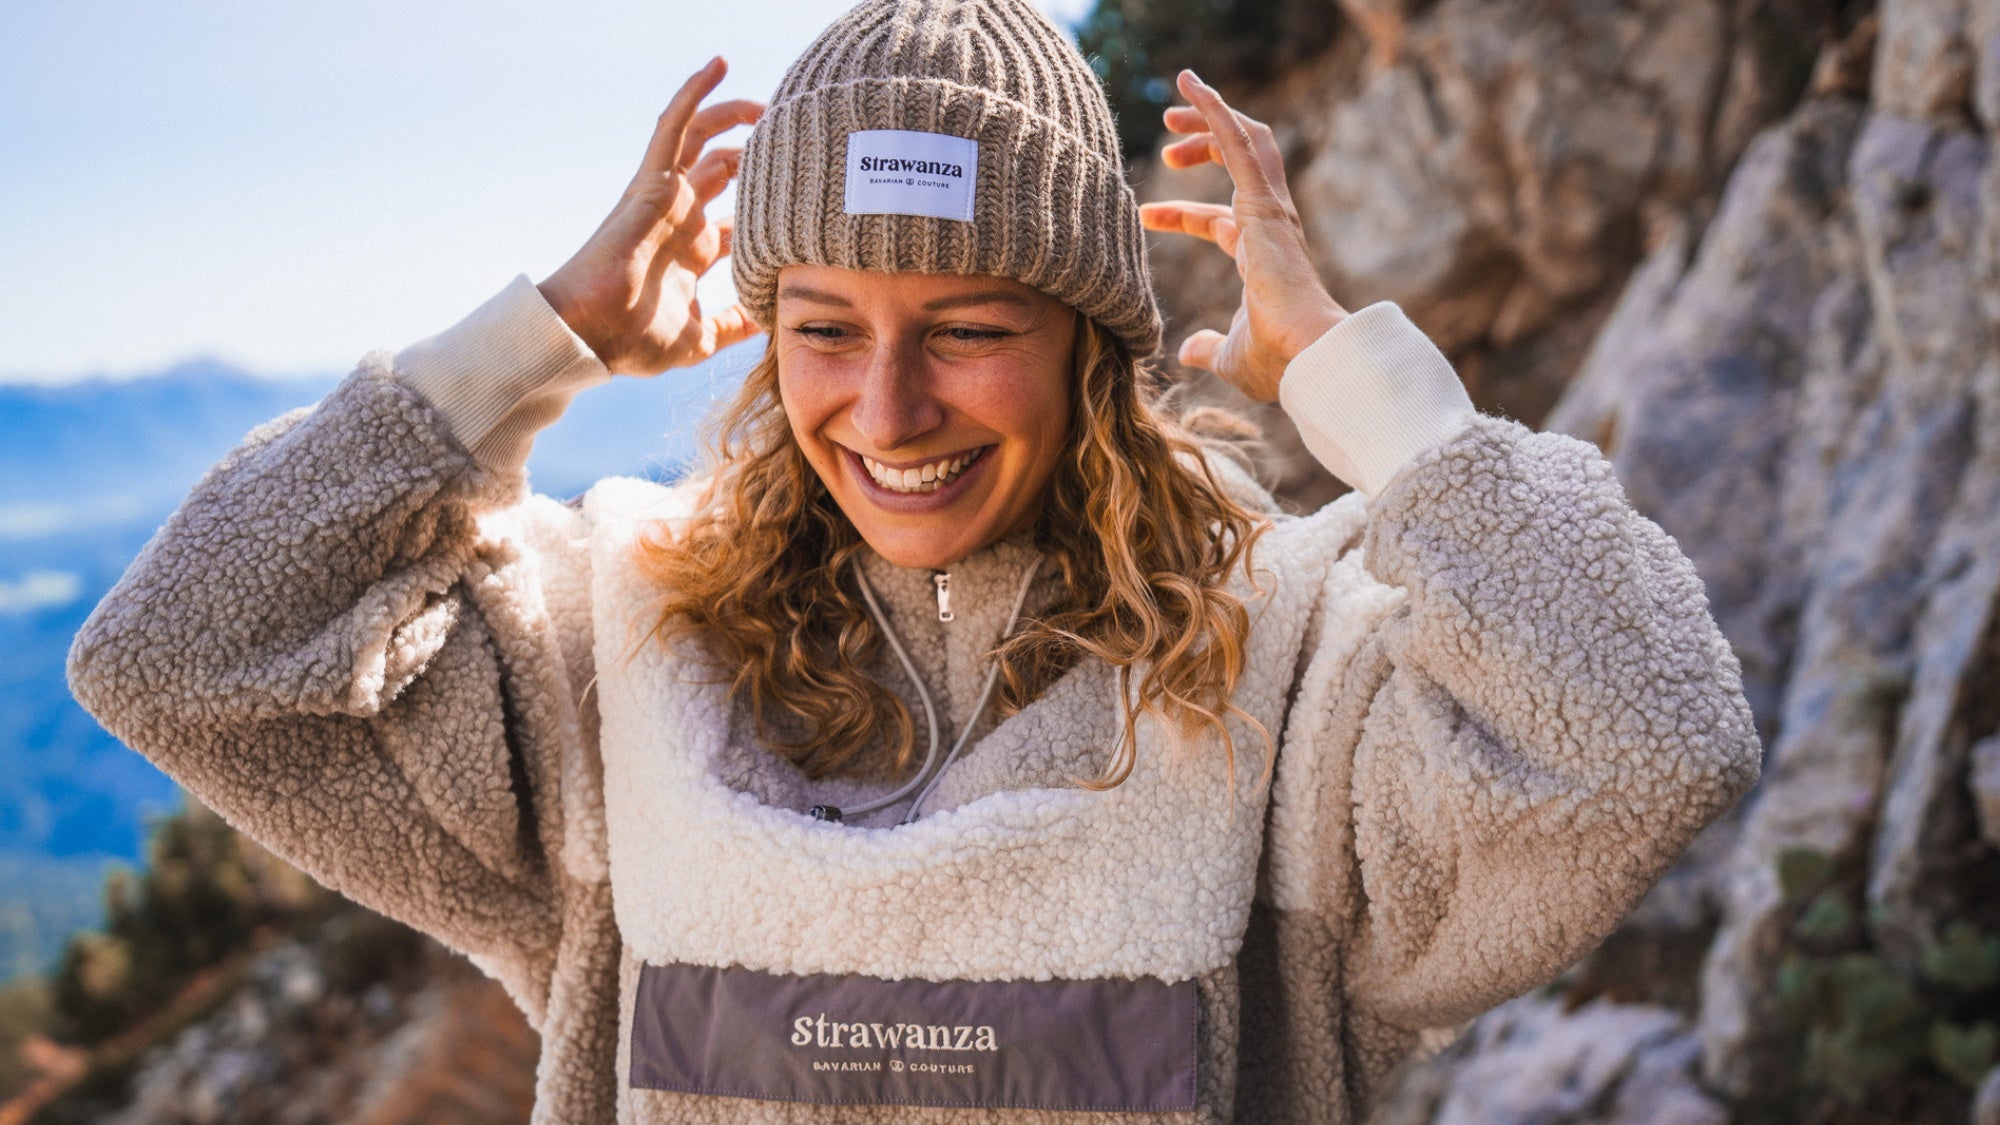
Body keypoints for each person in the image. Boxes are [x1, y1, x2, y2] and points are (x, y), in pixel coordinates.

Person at [66, 0, 1761, 1120]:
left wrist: (1370, 394)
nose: (886, 406)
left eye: (965, 326)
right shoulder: (613, 657)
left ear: (1094, 343)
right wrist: (536, 342)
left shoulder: (1292, 678)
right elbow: (179, 656)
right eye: (822, 326)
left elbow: (1649, 734)